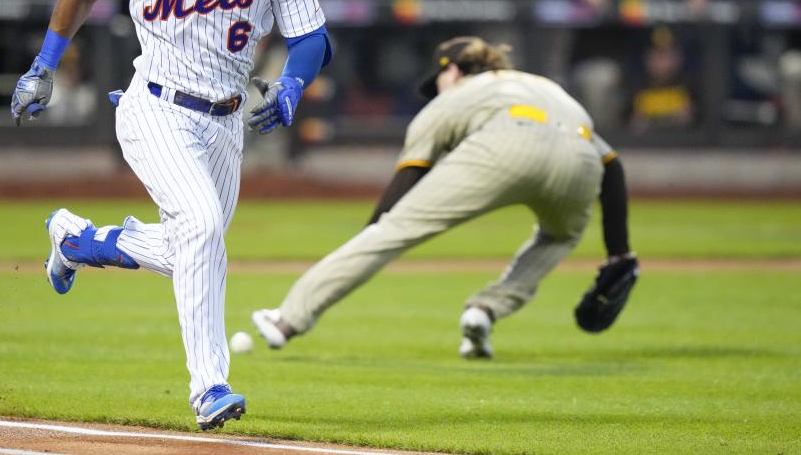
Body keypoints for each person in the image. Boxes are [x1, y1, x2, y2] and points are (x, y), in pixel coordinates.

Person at [9, 0, 331, 429]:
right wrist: (43, 65)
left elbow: (311, 36)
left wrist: (291, 84)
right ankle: (210, 386)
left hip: (227, 121)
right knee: (204, 229)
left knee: (194, 246)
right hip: (154, 107)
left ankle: (77, 240)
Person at [251, 36, 638, 359]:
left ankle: (286, 320)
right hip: (581, 158)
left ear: (452, 70)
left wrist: (376, 230)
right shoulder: (544, 86)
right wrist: (619, 253)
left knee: (394, 231)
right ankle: (487, 309)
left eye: (438, 78)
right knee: (560, 235)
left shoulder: (456, 95)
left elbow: (410, 175)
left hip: (504, 143)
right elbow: (614, 167)